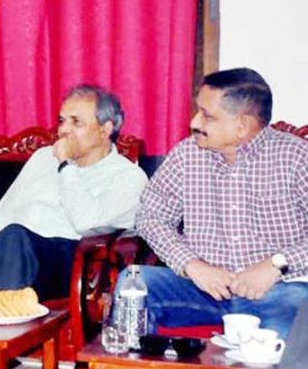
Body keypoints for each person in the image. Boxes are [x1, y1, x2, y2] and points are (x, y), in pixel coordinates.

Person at [0, 85, 148, 369]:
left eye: (76, 122)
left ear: (106, 129)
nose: (63, 131)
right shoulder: (40, 159)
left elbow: (86, 222)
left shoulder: (128, 177)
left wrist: (66, 167)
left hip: (67, 262)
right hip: (8, 258)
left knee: (14, 237)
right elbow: (6, 211)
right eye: (62, 120)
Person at [131, 68, 308, 339]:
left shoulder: (296, 157)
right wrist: (192, 265)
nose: (194, 122)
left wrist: (276, 264)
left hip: (282, 290)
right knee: (133, 287)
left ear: (242, 126)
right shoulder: (187, 155)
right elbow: (150, 217)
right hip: (202, 288)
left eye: (208, 115)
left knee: (285, 341)